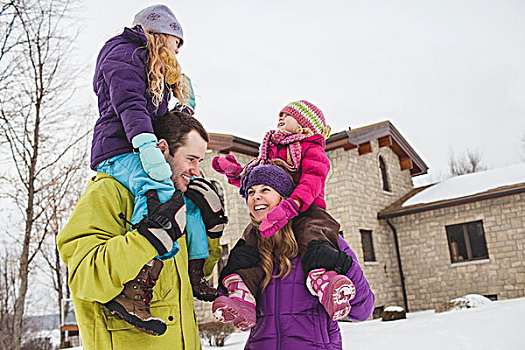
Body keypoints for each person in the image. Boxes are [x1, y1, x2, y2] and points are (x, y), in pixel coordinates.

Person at [90, 4, 220, 330]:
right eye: (177, 45)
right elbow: (130, 103)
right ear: (164, 35)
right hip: (120, 150)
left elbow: (161, 120)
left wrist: (184, 109)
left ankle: (194, 267)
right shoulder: (124, 53)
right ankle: (135, 285)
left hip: (143, 146)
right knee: (159, 191)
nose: (179, 53)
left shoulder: (155, 69)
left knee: (181, 201)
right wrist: (147, 145)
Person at [57, 111, 222, 349]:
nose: (196, 171)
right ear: (162, 149)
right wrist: (146, 239)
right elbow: (85, 276)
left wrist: (212, 232)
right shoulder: (108, 192)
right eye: (191, 159)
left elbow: (189, 279)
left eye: (200, 162)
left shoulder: (176, 202)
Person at [212, 100, 356, 322]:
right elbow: (262, 178)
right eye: (279, 115)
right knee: (249, 241)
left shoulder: (311, 149)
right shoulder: (271, 147)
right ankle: (242, 293)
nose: (279, 118)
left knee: (313, 235)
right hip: (275, 214)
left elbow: (312, 182)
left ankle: (325, 281)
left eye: (286, 115)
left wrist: (291, 207)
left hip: (306, 208)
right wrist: (237, 174)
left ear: (303, 124)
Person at [212, 164, 375, 348]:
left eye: (265, 189)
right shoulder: (248, 250)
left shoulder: (320, 240)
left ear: (284, 198)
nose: (256, 196)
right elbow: (240, 317)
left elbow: (362, 311)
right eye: (251, 192)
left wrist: (344, 266)